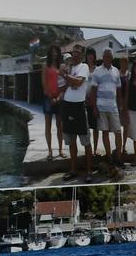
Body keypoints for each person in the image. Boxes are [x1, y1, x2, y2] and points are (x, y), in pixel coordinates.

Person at [59, 46, 93, 180]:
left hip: (79, 107)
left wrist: (65, 76)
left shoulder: (83, 67)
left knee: (86, 141)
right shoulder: (68, 68)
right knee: (71, 141)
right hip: (67, 107)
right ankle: (73, 170)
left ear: (82, 56)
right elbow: (61, 86)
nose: (75, 55)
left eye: (78, 53)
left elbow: (78, 82)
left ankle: (89, 172)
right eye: (73, 53)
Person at [90, 49, 124, 173]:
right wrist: (94, 107)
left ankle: (119, 158)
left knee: (118, 132)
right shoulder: (97, 71)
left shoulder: (116, 71)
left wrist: (120, 106)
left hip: (113, 106)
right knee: (104, 132)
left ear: (112, 58)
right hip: (101, 107)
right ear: (102, 58)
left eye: (109, 56)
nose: (107, 58)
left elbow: (119, 90)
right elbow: (93, 90)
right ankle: (109, 158)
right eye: (105, 56)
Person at [41, 44, 64, 159]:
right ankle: (50, 151)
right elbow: (44, 84)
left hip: (59, 98)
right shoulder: (45, 65)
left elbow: (63, 84)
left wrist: (58, 97)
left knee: (60, 125)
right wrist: (51, 98)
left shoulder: (61, 67)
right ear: (49, 53)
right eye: (52, 52)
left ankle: (60, 150)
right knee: (48, 126)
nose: (54, 54)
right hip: (48, 98)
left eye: (56, 52)